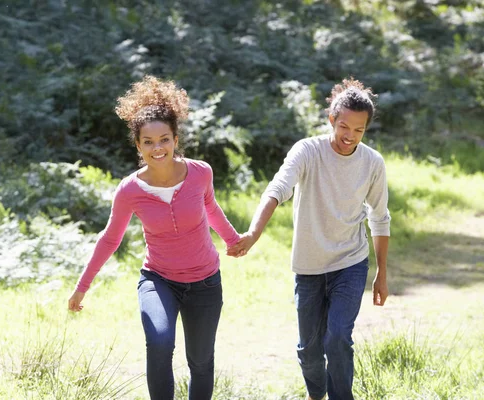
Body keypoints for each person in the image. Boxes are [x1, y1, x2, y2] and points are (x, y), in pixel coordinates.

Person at [68, 76, 241, 400]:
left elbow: (210, 208)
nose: (157, 147)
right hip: (158, 279)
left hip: (205, 281)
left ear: (175, 139)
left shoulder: (201, 172)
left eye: (164, 139)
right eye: (148, 142)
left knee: (201, 361)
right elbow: (109, 239)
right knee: (159, 342)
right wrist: (82, 287)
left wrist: (234, 240)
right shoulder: (130, 191)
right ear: (138, 145)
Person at [228, 77, 391, 400]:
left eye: (359, 130)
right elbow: (278, 188)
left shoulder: (372, 162)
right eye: (344, 127)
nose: (350, 136)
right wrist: (254, 233)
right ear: (332, 119)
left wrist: (381, 273)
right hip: (309, 266)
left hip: (350, 262)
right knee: (310, 350)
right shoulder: (308, 151)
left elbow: (379, 217)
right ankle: (317, 395)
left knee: (338, 337)